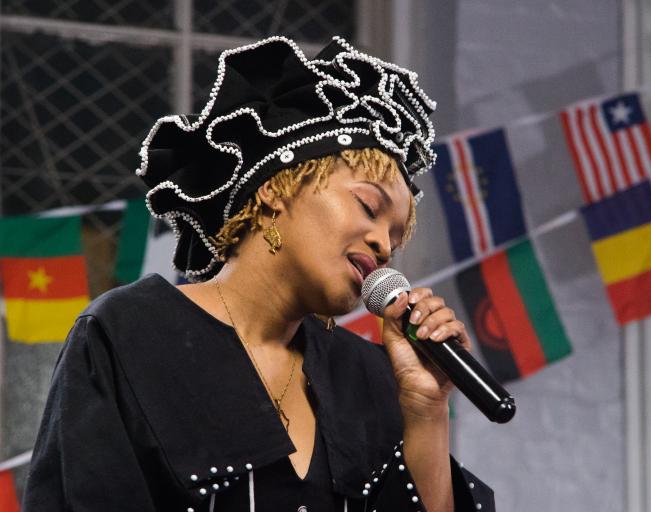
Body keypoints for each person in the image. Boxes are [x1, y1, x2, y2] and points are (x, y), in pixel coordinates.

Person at [22, 36, 495, 511]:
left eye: (396, 237)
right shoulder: (130, 332)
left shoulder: (370, 374)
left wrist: (426, 410)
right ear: (273, 189)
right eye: (369, 206)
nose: (384, 244)